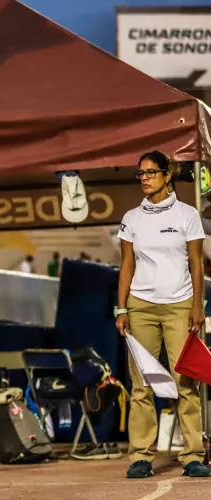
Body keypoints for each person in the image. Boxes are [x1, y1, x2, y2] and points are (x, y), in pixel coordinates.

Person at [115, 150, 210, 479]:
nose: (144, 178)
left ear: (167, 175)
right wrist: (121, 307)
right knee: (142, 384)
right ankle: (141, 456)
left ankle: (193, 455)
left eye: (150, 172)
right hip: (140, 306)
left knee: (186, 382)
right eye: (140, 173)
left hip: (180, 305)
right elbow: (127, 265)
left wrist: (197, 305)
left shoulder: (187, 215)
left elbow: (196, 263)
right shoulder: (131, 218)